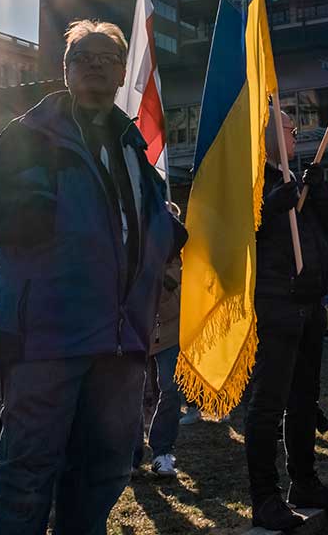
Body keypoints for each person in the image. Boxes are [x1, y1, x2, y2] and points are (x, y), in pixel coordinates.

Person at [0, 19, 186, 535]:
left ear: (122, 72)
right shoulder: (31, 133)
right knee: (28, 470)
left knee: (104, 469)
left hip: (121, 341)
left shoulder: (134, 147)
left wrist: (170, 235)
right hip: (46, 337)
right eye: (82, 57)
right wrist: (38, 217)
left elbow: (151, 222)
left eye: (107, 58)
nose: (94, 65)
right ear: (64, 71)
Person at [244, 110, 328, 531]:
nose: (295, 136)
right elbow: (235, 235)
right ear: (269, 132)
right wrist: (267, 208)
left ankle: (304, 481)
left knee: (305, 399)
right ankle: (264, 497)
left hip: (310, 303)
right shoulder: (251, 180)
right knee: (269, 403)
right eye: (289, 129)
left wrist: (320, 192)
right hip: (276, 303)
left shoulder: (294, 179)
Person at [133, 200, 185, 478]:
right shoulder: (133, 251)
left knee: (171, 389)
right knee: (132, 392)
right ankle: (130, 455)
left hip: (170, 330)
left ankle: (162, 451)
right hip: (136, 329)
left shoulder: (180, 256)